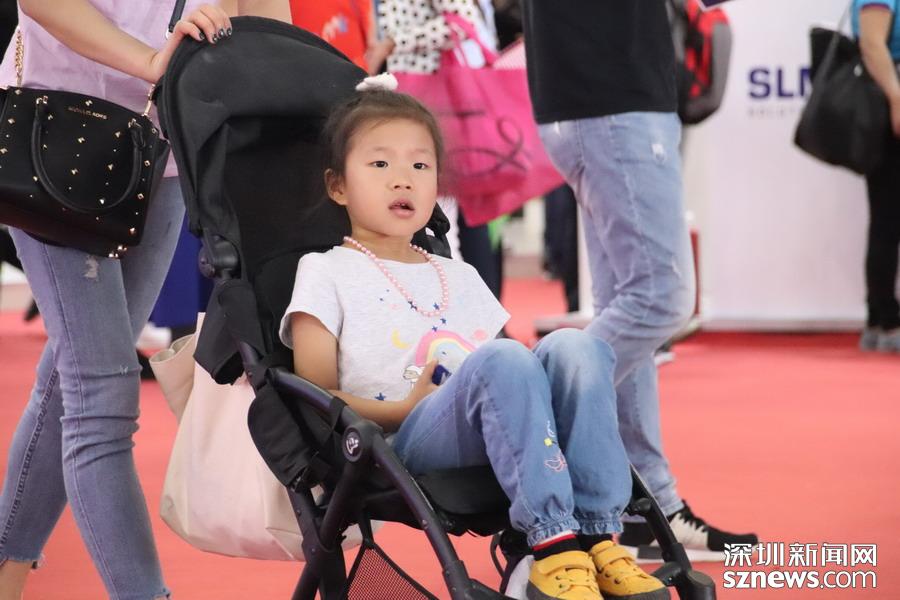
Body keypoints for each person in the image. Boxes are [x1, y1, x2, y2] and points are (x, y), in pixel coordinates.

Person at [280, 78, 670, 600]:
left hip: (492, 428)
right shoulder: (325, 271)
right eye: (380, 164)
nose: (403, 180)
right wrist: (402, 408)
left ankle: (597, 536)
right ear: (338, 187)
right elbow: (316, 400)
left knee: (578, 347)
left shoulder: (457, 274)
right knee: (503, 359)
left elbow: (514, 374)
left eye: (420, 166)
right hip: (400, 440)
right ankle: (553, 543)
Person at [0, 2, 254, 599]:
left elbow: (265, 19)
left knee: (72, 384)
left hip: (167, 144)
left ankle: (6, 571)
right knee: (102, 394)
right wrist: (149, 61)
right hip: (58, 127)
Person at [521, 0, 758, 561]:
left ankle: (645, 507)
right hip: (614, 95)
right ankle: (524, 407)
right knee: (660, 298)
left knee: (630, 303)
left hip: (591, 94)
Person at [856, 0, 900, 353]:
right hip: (887, 107)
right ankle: (885, 319)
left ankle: (879, 317)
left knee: (887, 216)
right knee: (887, 216)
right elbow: (871, 43)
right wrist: (897, 99)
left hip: (888, 103)